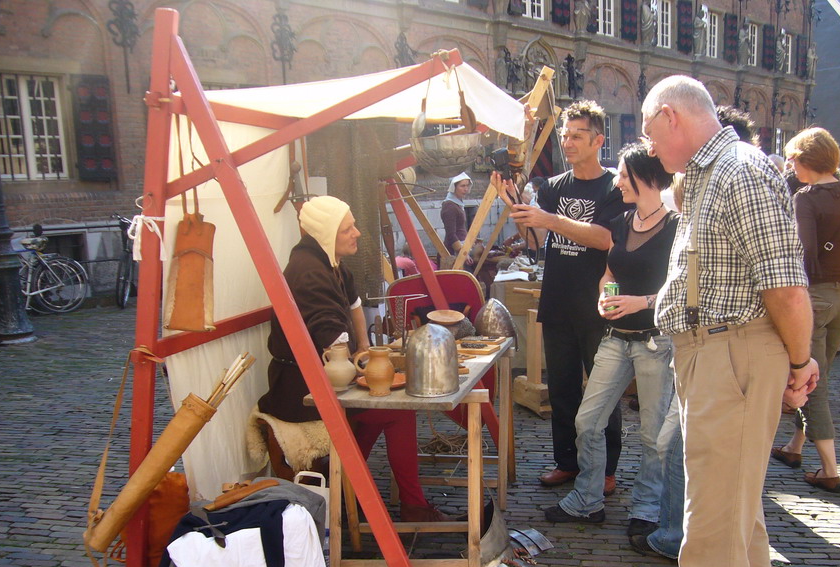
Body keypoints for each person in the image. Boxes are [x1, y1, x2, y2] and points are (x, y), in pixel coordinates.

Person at [639, 76, 818, 567]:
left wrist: (800, 364)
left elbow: (787, 288)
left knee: (710, 529)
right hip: (719, 355)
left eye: (648, 131)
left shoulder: (737, 171)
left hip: (732, 355)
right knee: (737, 513)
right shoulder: (717, 173)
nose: (648, 145)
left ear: (669, 116)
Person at [257, 196, 455, 523]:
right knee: (397, 413)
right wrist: (368, 363)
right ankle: (393, 497)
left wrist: (365, 347)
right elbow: (332, 338)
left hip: (323, 377)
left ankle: (349, 482)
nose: (358, 233)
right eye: (348, 228)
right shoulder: (309, 272)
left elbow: (354, 305)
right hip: (299, 389)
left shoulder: (329, 262)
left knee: (388, 408)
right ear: (326, 233)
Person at [493, 100, 628, 495]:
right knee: (563, 388)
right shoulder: (552, 187)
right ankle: (567, 462)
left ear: (598, 140)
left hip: (599, 304)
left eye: (577, 136)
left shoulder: (614, 186)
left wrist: (549, 220)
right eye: (565, 136)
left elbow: (606, 239)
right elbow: (537, 242)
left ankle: (605, 468)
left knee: (604, 391)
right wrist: (515, 207)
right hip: (558, 299)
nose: (567, 143)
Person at [542, 144, 678, 536]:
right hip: (616, 337)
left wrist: (642, 301)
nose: (617, 182)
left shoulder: (675, 227)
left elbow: (682, 287)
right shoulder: (622, 222)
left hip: (655, 342)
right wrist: (606, 293)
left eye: (622, 175)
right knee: (588, 420)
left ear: (646, 177)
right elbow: (609, 271)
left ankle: (648, 508)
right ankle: (587, 501)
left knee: (653, 435)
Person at [771, 127, 840, 495]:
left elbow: (804, 255)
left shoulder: (806, 198)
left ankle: (830, 469)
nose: (791, 165)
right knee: (816, 377)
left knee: (811, 382)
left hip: (812, 296)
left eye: (794, 158)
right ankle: (796, 448)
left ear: (808, 159)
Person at [441, 172, 472, 260]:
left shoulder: (457, 204)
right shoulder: (449, 206)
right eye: (462, 186)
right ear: (454, 187)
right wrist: (462, 253)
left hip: (462, 248)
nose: (466, 189)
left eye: (467, 186)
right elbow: (451, 234)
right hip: (453, 253)